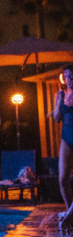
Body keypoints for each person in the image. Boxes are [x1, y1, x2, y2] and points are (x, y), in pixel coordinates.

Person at [52, 66, 73, 210]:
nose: (69, 80)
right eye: (66, 77)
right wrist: (59, 101)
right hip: (66, 137)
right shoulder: (61, 94)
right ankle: (69, 209)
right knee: (63, 178)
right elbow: (56, 118)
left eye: (71, 76)